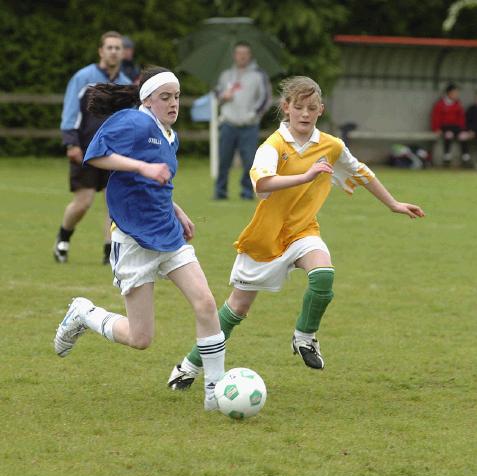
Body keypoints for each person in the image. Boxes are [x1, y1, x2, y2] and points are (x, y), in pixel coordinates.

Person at [167, 76, 425, 390]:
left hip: (303, 231)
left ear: (321, 110)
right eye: (298, 107)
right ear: (285, 108)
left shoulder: (331, 146)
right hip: (266, 237)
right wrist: (306, 175)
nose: (304, 113)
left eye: (311, 108)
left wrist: (393, 203)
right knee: (237, 308)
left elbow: (361, 173)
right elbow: (262, 183)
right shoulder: (273, 146)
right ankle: (189, 367)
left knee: (323, 275)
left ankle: (304, 338)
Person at [53, 67, 225, 411]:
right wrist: (142, 168)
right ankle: (83, 313)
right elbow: (96, 155)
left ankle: (215, 393)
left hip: (169, 235)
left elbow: (157, 182)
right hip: (133, 239)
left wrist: (177, 209)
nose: (173, 103)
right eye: (165, 97)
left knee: (205, 304)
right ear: (147, 99)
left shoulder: (169, 135)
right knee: (141, 338)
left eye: (176, 96)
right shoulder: (134, 122)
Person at [54, 31, 131, 265]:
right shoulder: (83, 77)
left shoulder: (126, 84)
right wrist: (71, 142)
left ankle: (110, 252)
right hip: (86, 150)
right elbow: (70, 111)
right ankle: (62, 239)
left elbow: (128, 121)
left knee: (113, 202)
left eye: (118, 48)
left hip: (114, 153)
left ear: (122, 53)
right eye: (109, 47)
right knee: (83, 202)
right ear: (101, 51)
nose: (114, 51)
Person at [214, 41, 272, 200]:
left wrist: (254, 115)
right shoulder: (226, 75)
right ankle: (220, 192)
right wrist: (222, 97)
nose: (242, 56)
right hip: (228, 124)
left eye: (245, 53)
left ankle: (247, 192)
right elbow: (217, 94)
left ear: (250, 55)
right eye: (239, 53)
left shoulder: (258, 75)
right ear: (234, 55)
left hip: (249, 126)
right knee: (223, 160)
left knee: (249, 162)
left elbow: (265, 98)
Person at [431, 83, 471, 167]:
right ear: (448, 93)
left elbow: (461, 118)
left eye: (457, 93)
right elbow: (436, 118)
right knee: (448, 135)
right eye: (454, 93)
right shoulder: (440, 104)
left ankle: (466, 157)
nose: (456, 95)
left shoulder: (457, 104)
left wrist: (463, 128)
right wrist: (436, 129)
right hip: (445, 127)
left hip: (456, 127)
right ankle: (447, 157)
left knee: (463, 135)